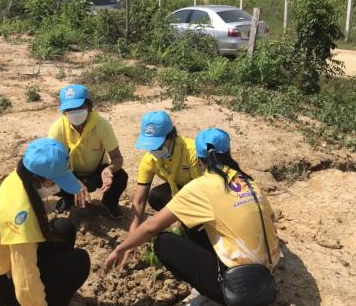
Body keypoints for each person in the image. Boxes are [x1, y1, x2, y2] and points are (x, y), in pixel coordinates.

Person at [105, 128, 281, 305]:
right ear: (228, 153)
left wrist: (120, 248)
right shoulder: (248, 181)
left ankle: (210, 294)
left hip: (240, 291)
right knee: (198, 224)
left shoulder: (202, 186)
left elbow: (151, 227)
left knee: (164, 243)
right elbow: (270, 220)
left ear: (198, 160)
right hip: (268, 276)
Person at [0, 138, 91, 306]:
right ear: (36, 178)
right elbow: (25, 280)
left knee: (64, 228)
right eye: (54, 181)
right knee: (79, 261)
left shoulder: (17, 177)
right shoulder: (21, 214)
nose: (56, 187)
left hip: (2, 258)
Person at [125, 111, 202, 258]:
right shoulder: (150, 160)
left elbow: (201, 192)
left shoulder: (192, 153)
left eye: (158, 145)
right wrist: (132, 238)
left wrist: (177, 221)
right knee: (155, 196)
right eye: (150, 146)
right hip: (178, 191)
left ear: (171, 137)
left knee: (193, 229)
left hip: (199, 193)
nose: (154, 150)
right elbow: (139, 200)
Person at [48, 84, 128, 218]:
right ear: (63, 111)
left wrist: (108, 170)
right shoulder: (58, 128)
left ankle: (109, 203)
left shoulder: (101, 125)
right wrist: (73, 181)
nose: (74, 112)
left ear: (89, 106)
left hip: (97, 173)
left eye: (79, 107)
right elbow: (52, 163)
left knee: (120, 177)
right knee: (49, 177)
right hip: (69, 173)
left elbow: (117, 158)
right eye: (69, 109)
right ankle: (67, 199)